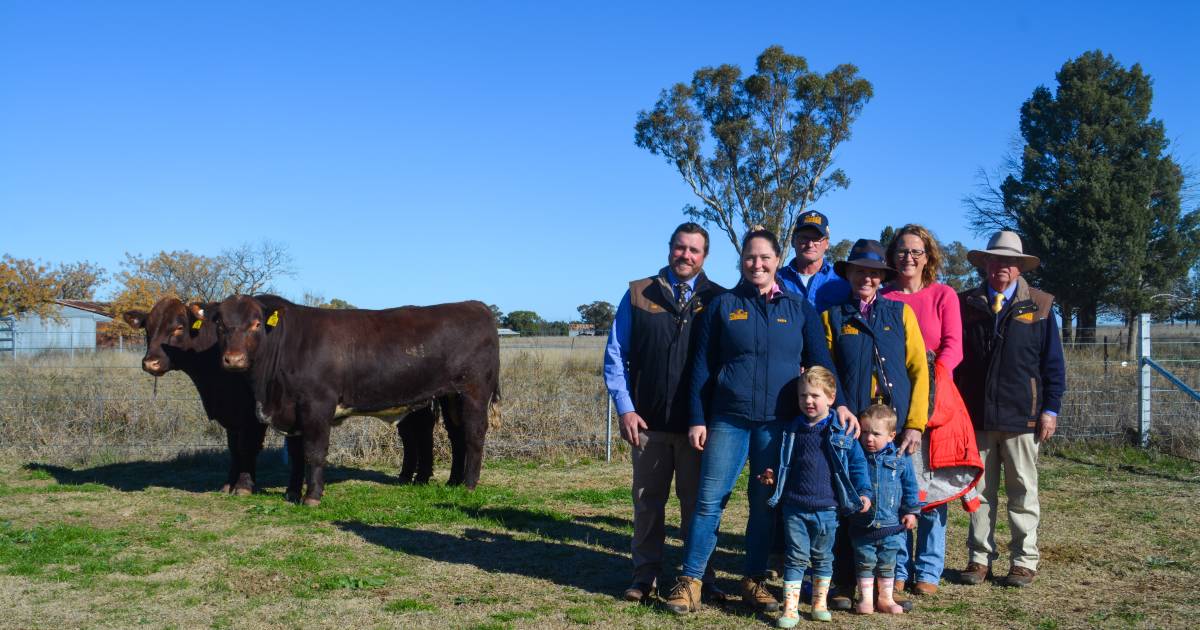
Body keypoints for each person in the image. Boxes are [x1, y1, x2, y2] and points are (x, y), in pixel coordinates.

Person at [663, 228, 856, 615]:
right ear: (741, 261)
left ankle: (754, 579)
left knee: (764, 503)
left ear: (776, 259)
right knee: (708, 502)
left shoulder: (798, 308)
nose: (758, 264)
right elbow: (702, 366)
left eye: (765, 257)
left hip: (777, 425)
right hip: (727, 421)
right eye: (750, 257)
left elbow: (820, 359)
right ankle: (691, 580)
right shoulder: (723, 305)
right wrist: (698, 418)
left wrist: (842, 404)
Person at [603, 222, 725, 602]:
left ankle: (698, 577)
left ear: (705, 257)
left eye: (694, 250)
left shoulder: (719, 298)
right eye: (680, 248)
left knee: (698, 508)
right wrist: (625, 409)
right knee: (648, 504)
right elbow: (614, 355)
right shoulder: (639, 294)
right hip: (648, 424)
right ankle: (645, 577)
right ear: (669, 248)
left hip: (696, 427)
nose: (686, 256)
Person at [820, 238, 929, 611]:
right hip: (850, 429)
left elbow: (919, 370)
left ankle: (890, 585)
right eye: (859, 270)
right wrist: (840, 408)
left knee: (895, 499)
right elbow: (825, 371)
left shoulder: (901, 315)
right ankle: (844, 582)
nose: (866, 277)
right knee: (847, 500)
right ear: (848, 273)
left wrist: (914, 424)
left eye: (874, 272)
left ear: (882, 278)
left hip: (893, 428)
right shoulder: (832, 316)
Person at [954, 231, 1066, 588]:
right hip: (977, 416)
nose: (1001, 266)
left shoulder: (1041, 305)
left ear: (1019, 267)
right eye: (995, 259)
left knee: (1022, 490)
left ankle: (1023, 560)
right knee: (979, 491)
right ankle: (978, 558)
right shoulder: (965, 303)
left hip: (1023, 416)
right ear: (985, 263)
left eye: (1009, 261)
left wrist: (1050, 409)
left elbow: (1053, 366)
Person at [880, 224, 982, 596]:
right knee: (898, 485)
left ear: (928, 257)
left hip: (937, 400)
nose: (909, 258)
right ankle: (899, 565)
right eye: (902, 251)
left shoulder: (943, 295)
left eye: (917, 252)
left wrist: (930, 383)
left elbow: (954, 346)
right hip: (893, 402)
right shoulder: (883, 296)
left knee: (932, 485)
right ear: (892, 257)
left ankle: (928, 568)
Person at [758, 366, 871, 626]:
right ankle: (790, 609)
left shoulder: (841, 431)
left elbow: (856, 465)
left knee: (823, 557)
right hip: (795, 507)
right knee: (796, 556)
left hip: (828, 509)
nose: (808, 401)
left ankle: (819, 604)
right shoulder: (791, 430)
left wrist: (864, 492)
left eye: (815, 396)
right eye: (803, 396)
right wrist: (772, 476)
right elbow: (783, 462)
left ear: (831, 398)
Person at [848, 404, 920, 615]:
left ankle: (886, 599)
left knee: (888, 563)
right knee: (864, 562)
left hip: (891, 524)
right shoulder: (857, 456)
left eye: (876, 434)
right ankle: (866, 600)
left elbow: (910, 486)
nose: (869, 439)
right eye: (866, 432)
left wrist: (911, 511)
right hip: (863, 524)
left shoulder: (900, 458)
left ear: (891, 435)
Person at [777, 210, 851, 313]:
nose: (810, 245)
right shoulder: (776, 280)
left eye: (816, 239)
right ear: (793, 241)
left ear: (827, 244)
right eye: (804, 238)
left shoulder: (843, 283)